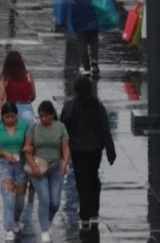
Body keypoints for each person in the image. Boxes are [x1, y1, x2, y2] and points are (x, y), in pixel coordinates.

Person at [61, 75, 116, 232]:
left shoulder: (70, 106)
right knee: (93, 177)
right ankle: (94, 210)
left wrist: (62, 152)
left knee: (81, 180)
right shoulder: (98, 107)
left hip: (77, 150)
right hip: (94, 150)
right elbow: (105, 129)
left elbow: (63, 129)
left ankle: (85, 215)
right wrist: (110, 150)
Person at [54, 0, 117, 75]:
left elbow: (63, 4)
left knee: (82, 41)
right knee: (93, 39)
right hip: (93, 14)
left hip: (78, 17)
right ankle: (94, 61)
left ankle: (86, 67)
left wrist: (61, 21)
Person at [23, 101, 70, 243]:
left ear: (51, 115)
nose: (43, 119)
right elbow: (27, 148)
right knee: (44, 199)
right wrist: (33, 166)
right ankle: (44, 231)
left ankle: (48, 219)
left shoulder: (60, 127)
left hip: (55, 168)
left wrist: (65, 163)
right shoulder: (34, 128)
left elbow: (66, 147)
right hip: (38, 168)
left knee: (55, 201)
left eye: (45, 116)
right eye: (40, 116)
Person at [0, 102, 29, 241]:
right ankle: (8, 227)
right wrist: (2, 152)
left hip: (20, 164)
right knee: (9, 196)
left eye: (12, 117)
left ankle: (16, 219)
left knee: (20, 198)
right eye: (7, 117)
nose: (10, 120)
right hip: (3, 164)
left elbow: (29, 144)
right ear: (3, 117)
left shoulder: (23, 126)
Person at [0, 52, 37, 126]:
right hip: (26, 109)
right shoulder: (28, 75)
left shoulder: (5, 77)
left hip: (11, 110)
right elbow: (33, 96)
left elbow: (1, 97)